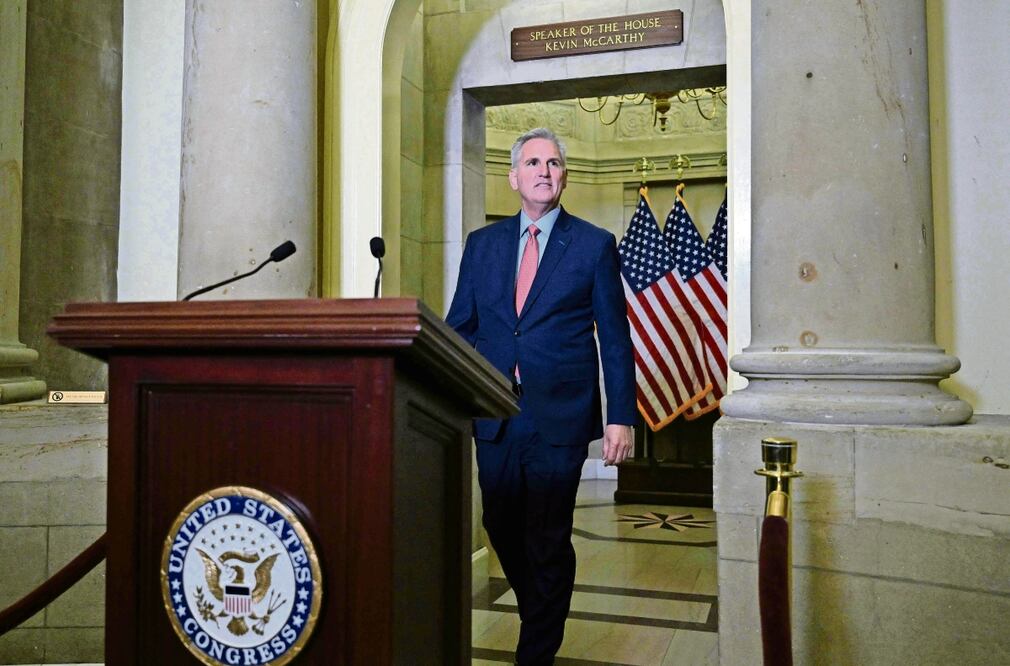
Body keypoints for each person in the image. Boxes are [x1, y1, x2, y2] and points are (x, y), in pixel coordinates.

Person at [446, 127, 636, 664]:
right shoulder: (482, 246)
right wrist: (451, 395)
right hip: (495, 413)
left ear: (564, 175)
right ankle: (543, 612)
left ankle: (535, 655)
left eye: (553, 163)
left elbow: (615, 337)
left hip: (560, 417)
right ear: (513, 178)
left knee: (548, 536)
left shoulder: (594, 244)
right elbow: (461, 326)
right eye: (532, 163)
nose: (544, 171)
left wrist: (620, 416)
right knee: (499, 523)